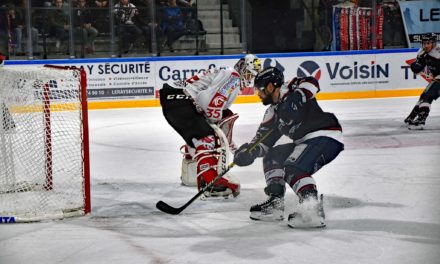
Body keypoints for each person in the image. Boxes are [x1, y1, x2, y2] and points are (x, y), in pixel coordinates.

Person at [233, 67, 344, 228]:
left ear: (271, 86)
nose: (258, 94)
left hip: (326, 135)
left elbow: (311, 82)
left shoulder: (291, 88)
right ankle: (275, 203)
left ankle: (311, 207)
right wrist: (249, 152)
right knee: (272, 156)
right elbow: (262, 142)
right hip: (305, 142)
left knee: (293, 167)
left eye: (260, 90)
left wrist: (297, 98)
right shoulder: (272, 112)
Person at [159, 54, 261, 199]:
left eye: (252, 76)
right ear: (241, 67)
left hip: (176, 97)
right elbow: (206, 100)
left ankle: (192, 172)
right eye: (248, 73)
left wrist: (233, 147)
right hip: (179, 98)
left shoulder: (231, 76)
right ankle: (211, 183)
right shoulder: (233, 77)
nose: (249, 78)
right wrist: (212, 125)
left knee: (201, 132)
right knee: (207, 137)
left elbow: (212, 107)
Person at [404, 33, 440, 130]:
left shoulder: (438, 51)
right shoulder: (421, 52)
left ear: (433, 43)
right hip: (437, 77)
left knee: (427, 96)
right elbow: (419, 66)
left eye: (428, 43)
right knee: (425, 96)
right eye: (424, 43)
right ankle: (412, 117)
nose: (425, 45)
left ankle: (420, 121)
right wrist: (416, 67)